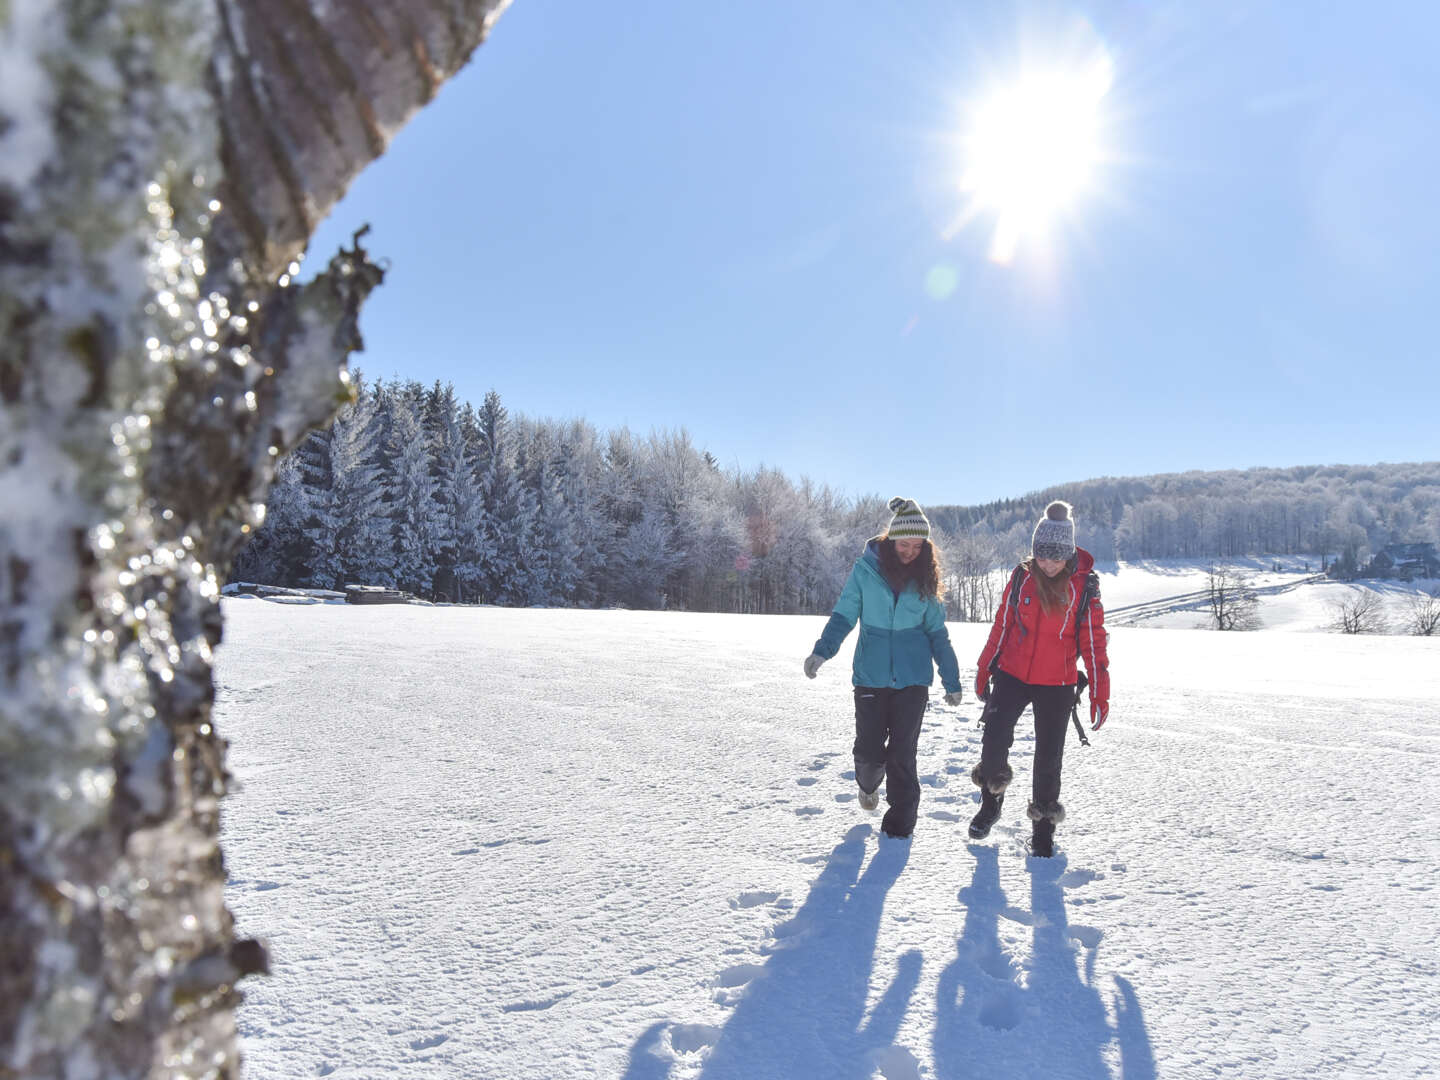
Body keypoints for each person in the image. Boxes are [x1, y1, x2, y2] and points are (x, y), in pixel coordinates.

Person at [803, 497, 964, 840]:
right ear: (891, 540)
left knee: (903, 753)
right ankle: (867, 783)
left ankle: (899, 829)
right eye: (904, 544)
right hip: (871, 676)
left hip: (913, 679)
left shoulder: (927, 578)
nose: (910, 551)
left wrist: (952, 679)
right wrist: (822, 651)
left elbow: (937, 633)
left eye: (918, 546)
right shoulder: (865, 572)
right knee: (869, 751)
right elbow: (845, 615)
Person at [968, 500, 1109, 857]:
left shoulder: (1084, 588)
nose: (1047, 564)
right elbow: (1002, 624)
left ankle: (1043, 829)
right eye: (1041, 556)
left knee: (1049, 758)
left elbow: (1093, 643)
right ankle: (991, 801)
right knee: (994, 741)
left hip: (1057, 683)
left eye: (1056, 557)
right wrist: (985, 666)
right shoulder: (1021, 578)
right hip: (1013, 673)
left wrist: (1100, 693)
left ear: (1069, 553)